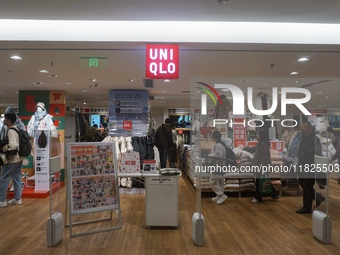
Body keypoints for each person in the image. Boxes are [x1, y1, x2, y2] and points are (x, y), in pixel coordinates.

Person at [243, 128, 279, 203]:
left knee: (259, 181)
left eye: (258, 134)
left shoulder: (264, 144)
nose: (257, 136)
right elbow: (254, 149)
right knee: (264, 181)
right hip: (261, 166)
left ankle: (258, 197)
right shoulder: (261, 143)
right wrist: (245, 148)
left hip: (263, 166)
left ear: (261, 135)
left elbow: (265, 157)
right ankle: (274, 194)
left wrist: (263, 167)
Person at [296, 121, 323, 214]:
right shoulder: (303, 138)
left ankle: (306, 207)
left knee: (307, 186)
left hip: (310, 166)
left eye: (302, 127)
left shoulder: (314, 139)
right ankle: (317, 197)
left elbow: (318, 153)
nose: (301, 129)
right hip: (302, 164)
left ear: (308, 128)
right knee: (302, 182)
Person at [0, 113, 24, 207]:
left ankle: (2, 200)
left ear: (9, 120)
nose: (4, 120)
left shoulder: (10, 131)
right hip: (19, 158)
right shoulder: (16, 129)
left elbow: (13, 145)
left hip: (12, 159)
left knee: (3, 178)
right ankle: (18, 199)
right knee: (17, 177)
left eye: (5, 119)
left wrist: (4, 148)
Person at [208, 130, 228, 205]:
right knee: (220, 181)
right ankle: (219, 196)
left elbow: (219, 156)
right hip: (221, 165)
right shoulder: (221, 144)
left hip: (218, 165)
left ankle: (221, 195)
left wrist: (211, 155)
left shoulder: (218, 145)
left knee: (212, 181)